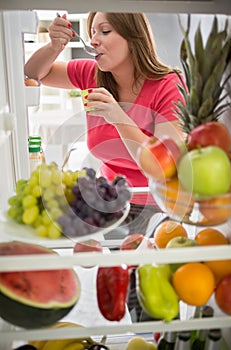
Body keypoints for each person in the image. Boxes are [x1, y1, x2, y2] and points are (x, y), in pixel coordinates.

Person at [24, 12, 186, 234]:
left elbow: (162, 167)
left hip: (158, 208)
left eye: (105, 31)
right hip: (109, 204)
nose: (93, 40)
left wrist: (118, 117)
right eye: (92, 32)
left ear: (134, 37)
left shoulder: (169, 85)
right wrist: (54, 47)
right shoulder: (91, 74)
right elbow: (33, 73)